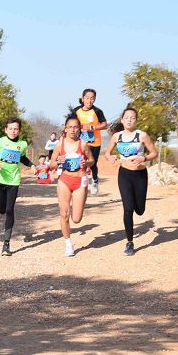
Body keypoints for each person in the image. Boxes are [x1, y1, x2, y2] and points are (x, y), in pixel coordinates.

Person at [105, 106, 158, 256]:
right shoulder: (117, 137)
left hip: (140, 175)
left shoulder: (142, 136)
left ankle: (137, 205)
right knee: (128, 209)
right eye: (126, 117)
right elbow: (107, 153)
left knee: (139, 210)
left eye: (132, 117)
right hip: (124, 175)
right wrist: (111, 158)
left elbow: (154, 152)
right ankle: (129, 242)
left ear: (136, 121)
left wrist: (144, 158)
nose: (129, 120)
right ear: (122, 120)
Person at [0, 118, 33, 256]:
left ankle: (6, 244)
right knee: (1, 209)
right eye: (10, 128)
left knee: (9, 210)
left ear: (19, 131)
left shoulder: (22, 144)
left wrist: (32, 165)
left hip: (13, 181)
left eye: (16, 129)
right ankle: (0, 205)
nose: (13, 131)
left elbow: (22, 158)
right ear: (6, 130)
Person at [50, 114, 94, 257]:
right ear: (65, 128)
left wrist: (85, 163)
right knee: (64, 214)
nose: (73, 130)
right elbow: (51, 165)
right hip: (64, 180)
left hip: (80, 181)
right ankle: (68, 243)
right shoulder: (59, 144)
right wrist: (58, 162)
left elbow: (92, 160)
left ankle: (79, 206)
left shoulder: (83, 144)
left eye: (75, 127)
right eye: (70, 127)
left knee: (76, 219)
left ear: (80, 129)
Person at [74, 89, 107, 194]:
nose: (89, 100)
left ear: (94, 99)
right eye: (87, 98)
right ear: (83, 98)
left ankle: (95, 180)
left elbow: (105, 125)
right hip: (80, 142)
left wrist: (92, 127)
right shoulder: (76, 111)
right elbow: (70, 123)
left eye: (92, 98)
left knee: (92, 164)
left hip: (94, 142)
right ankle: (80, 183)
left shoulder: (97, 111)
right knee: (79, 162)